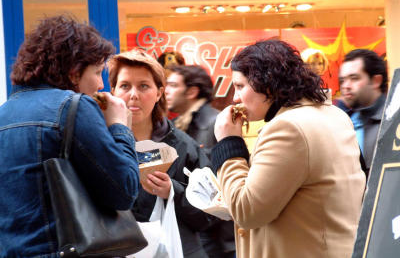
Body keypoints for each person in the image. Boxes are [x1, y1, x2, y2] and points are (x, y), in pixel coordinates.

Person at [0, 15, 140, 257]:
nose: (100, 84)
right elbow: (124, 191)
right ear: (74, 72)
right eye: (97, 72)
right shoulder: (74, 106)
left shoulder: (4, 113)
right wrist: (120, 127)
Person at [211, 39, 366, 258]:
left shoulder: (287, 128)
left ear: (266, 82)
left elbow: (246, 211)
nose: (235, 98)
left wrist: (228, 143)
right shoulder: (334, 114)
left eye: (240, 86)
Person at [108, 49, 215, 258]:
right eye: (125, 86)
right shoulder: (100, 144)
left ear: (159, 93)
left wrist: (173, 191)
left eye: (144, 86)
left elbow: (210, 213)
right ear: (113, 91)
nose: (133, 95)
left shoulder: (184, 146)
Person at [165, 65, 235, 258]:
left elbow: (220, 186)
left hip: (217, 241)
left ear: (192, 91)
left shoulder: (215, 124)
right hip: (198, 235)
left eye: (172, 85)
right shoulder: (179, 125)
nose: (166, 90)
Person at [339, 49, 388, 176]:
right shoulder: (345, 122)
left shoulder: (392, 124)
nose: (346, 86)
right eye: (342, 80)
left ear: (376, 81)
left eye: (354, 78)